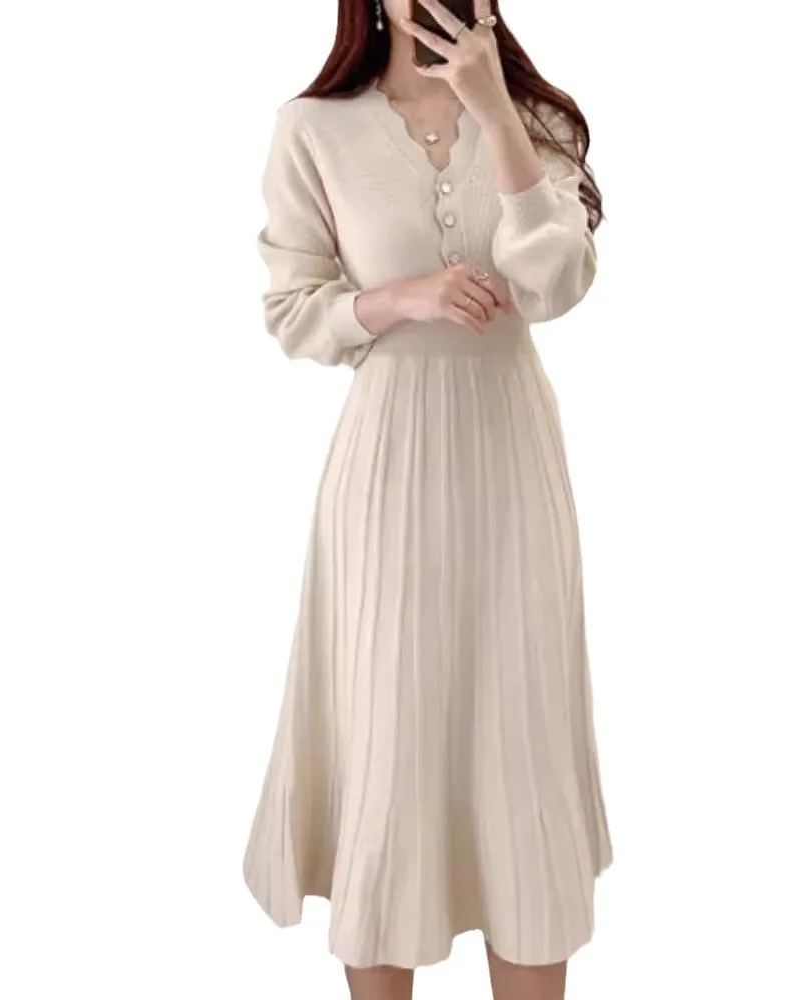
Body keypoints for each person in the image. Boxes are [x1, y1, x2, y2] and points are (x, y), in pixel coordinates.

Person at [242, 1, 613, 996]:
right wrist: (405, 297)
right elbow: (292, 308)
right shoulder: (313, 127)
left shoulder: (539, 122)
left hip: (509, 455)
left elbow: (555, 284)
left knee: (520, 739)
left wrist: (495, 115)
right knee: (387, 735)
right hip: (388, 462)